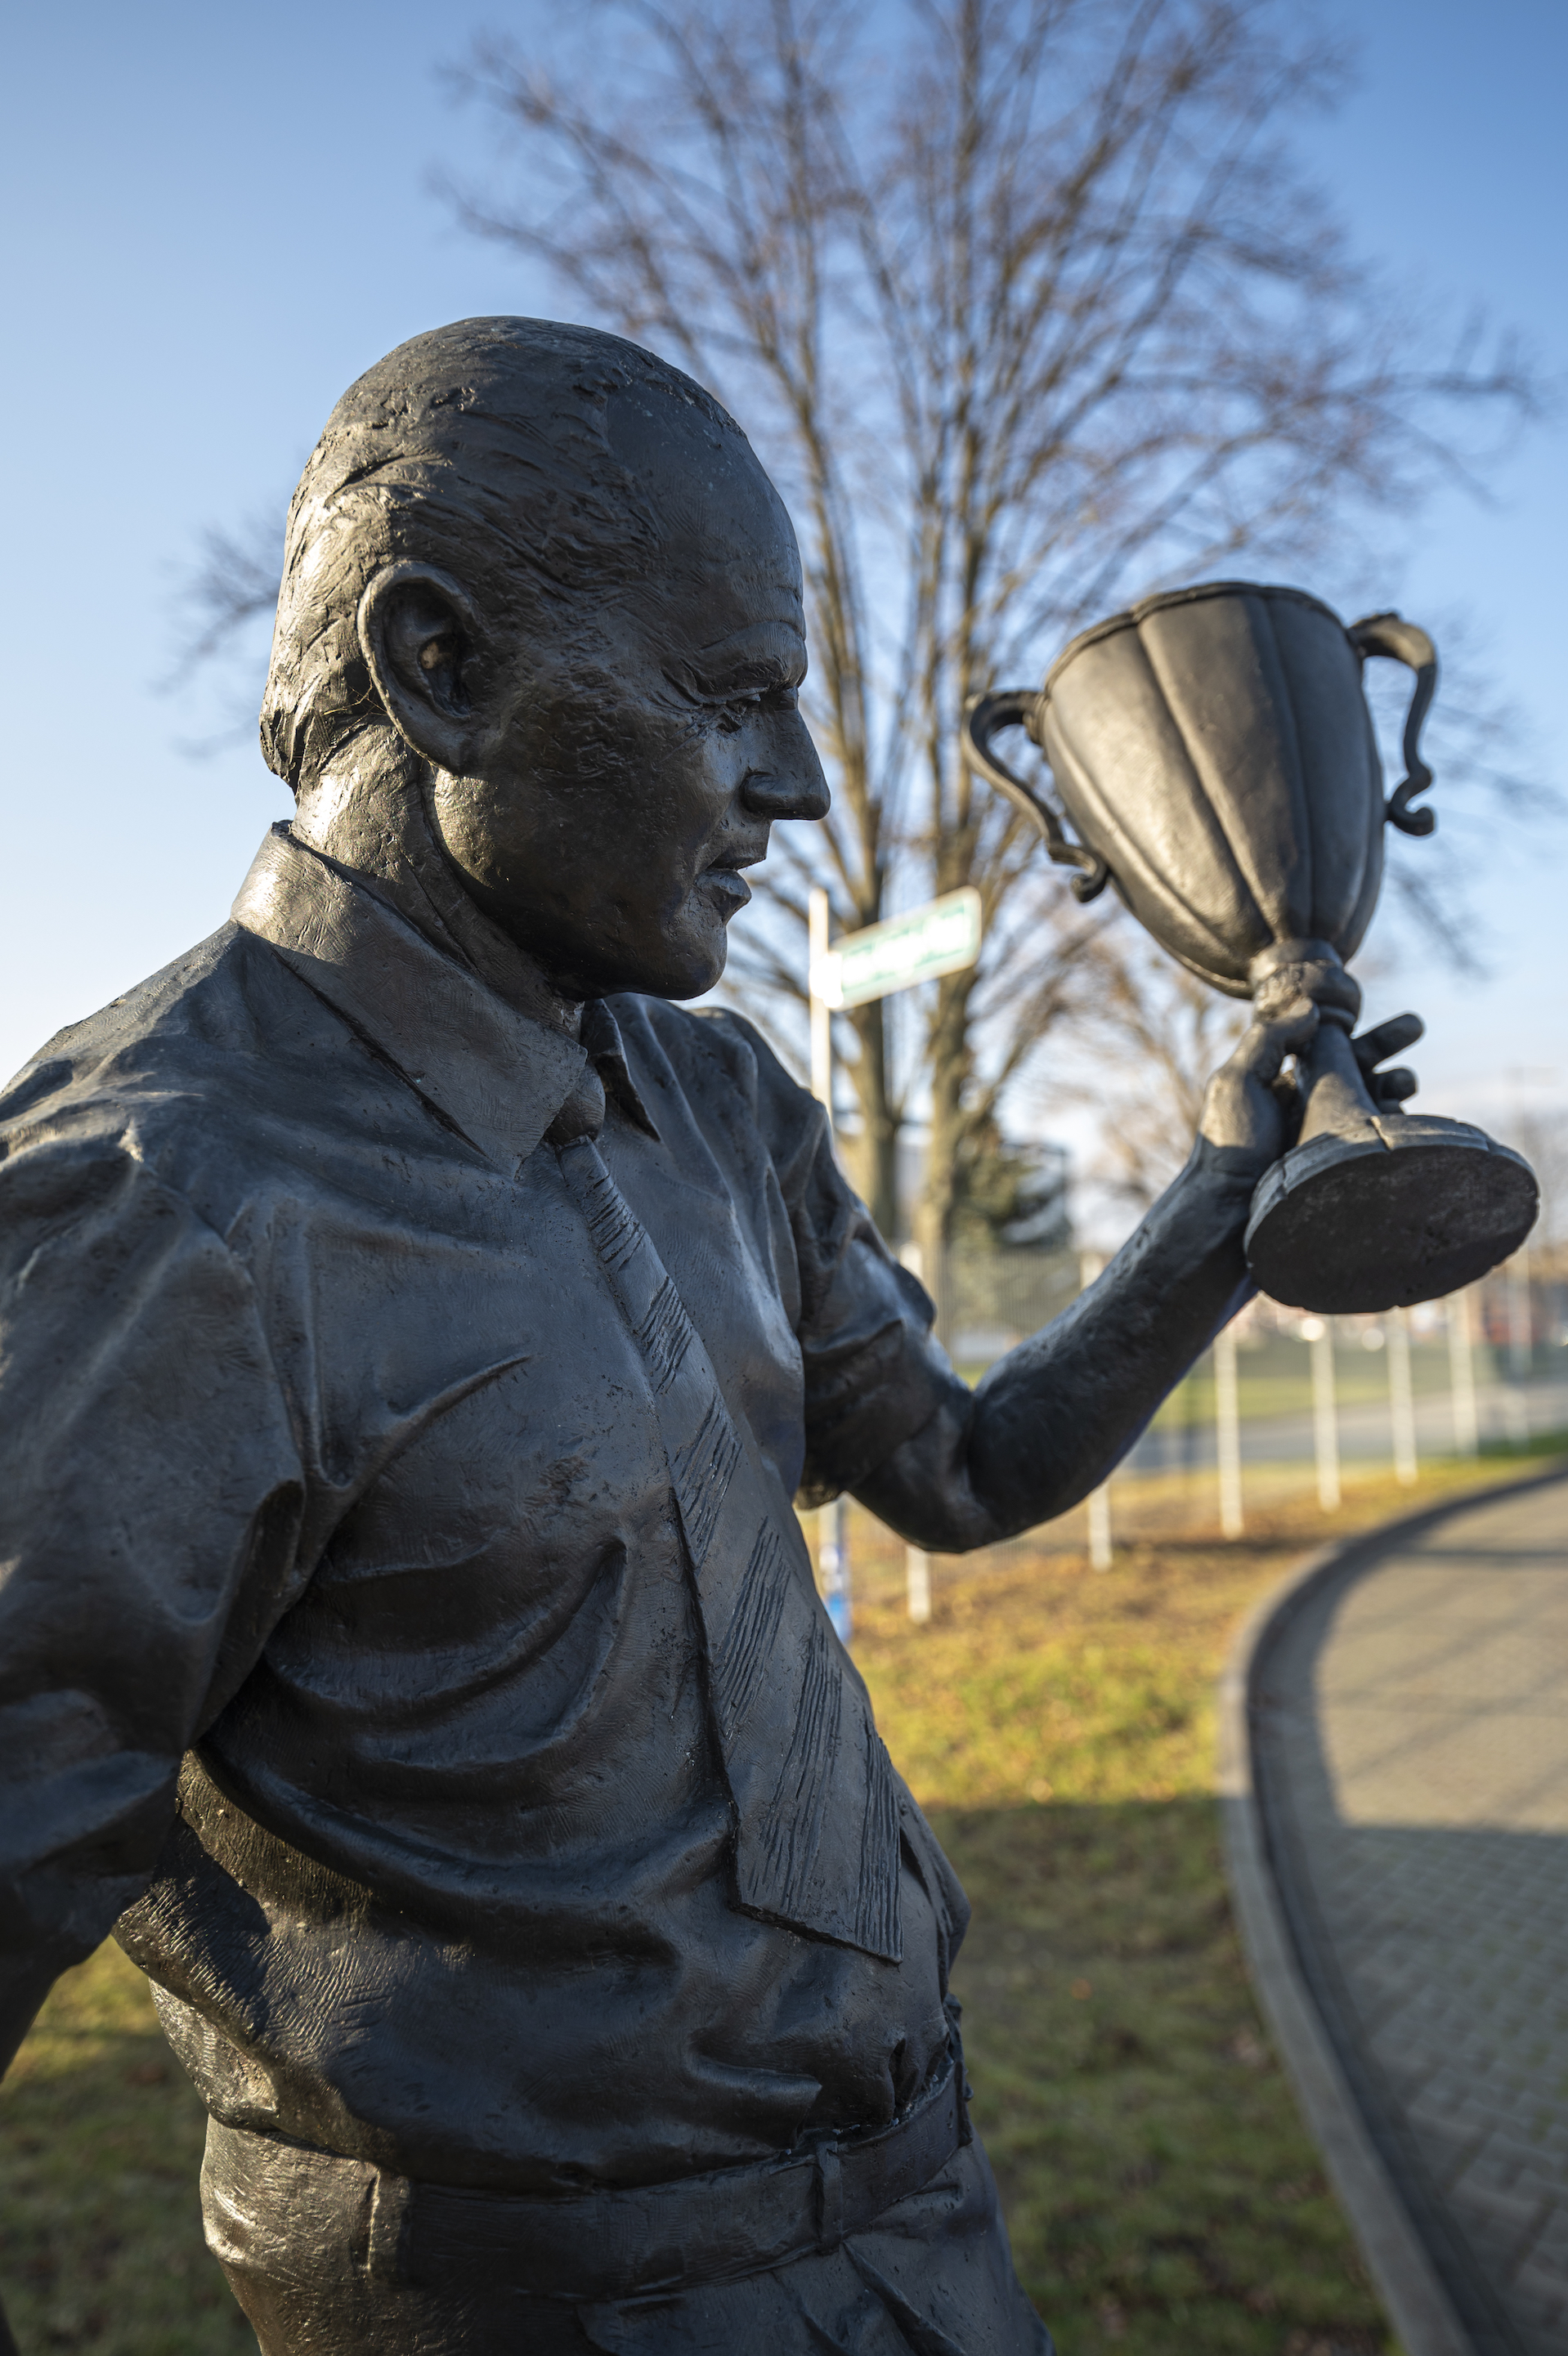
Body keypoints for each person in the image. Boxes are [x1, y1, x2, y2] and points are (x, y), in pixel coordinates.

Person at [0, 318, 1418, 2355]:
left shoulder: (717, 1098)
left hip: (917, 2217)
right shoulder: (157, 1196)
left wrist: (1223, 1195)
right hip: (524, 2305)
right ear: (441, 669)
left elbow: (958, 1466)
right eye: (731, 697)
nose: (804, 786)